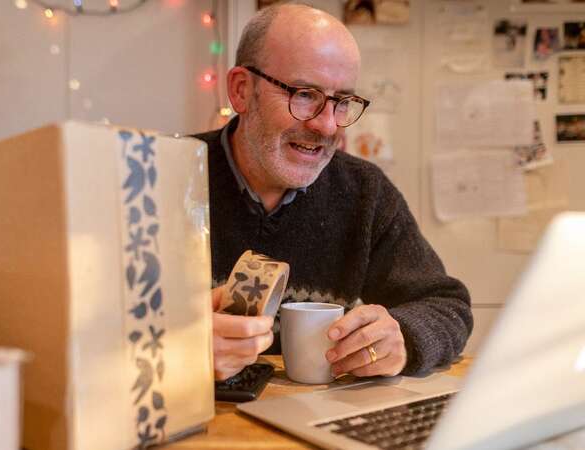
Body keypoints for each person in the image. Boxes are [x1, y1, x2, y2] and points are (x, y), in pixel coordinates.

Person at [194, 3, 473, 381]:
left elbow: (448, 305)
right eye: (305, 94)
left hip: (315, 423)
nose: (327, 127)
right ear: (242, 90)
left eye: (342, 102)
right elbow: (91, 321)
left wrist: (402, 337)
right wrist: (176, 348)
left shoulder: (364, 193)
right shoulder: (160, 178)